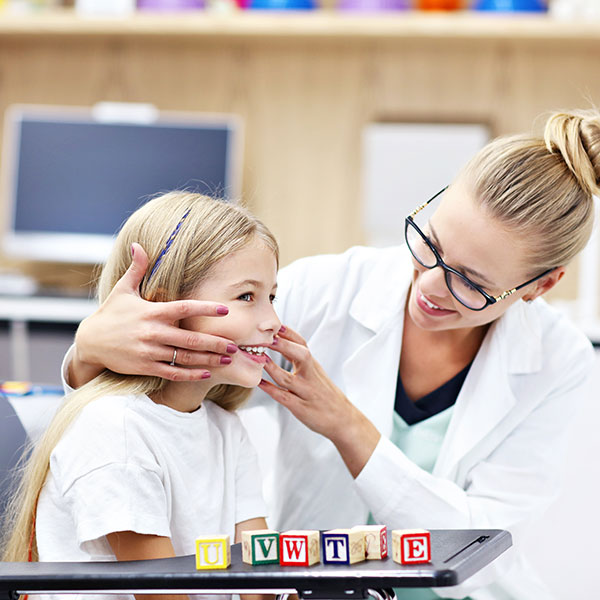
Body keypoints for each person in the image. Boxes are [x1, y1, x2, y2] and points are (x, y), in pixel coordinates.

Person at [62, 110, 598, 600]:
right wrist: (87, 351)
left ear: (540, 286)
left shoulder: (559, 361)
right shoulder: (327, 289)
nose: (430, 286)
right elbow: (176, 377)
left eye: (470, 282)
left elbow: (480, 553)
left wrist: (344, 424)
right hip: (316, 590)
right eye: (430, 244)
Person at [1, 192, 281, 600]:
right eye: (247, 297)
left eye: (271, 296)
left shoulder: (225, 429)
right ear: (163, 304)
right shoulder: (116, 428)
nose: (273, 322)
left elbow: (261, 587)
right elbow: (164, 595)